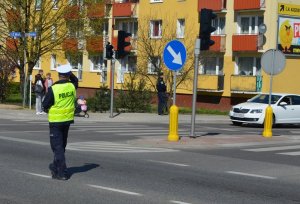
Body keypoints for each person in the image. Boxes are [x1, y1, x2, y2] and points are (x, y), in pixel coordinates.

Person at [42, 64, 78, 180]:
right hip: (67, 121)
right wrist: (70, 73)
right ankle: (55, 167)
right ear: (68, 75)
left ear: (58, 75)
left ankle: (61, 172)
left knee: (57, 147)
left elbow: (45, 105)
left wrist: (47, 109)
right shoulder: (72, 86)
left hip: (56, 122)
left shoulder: (54, 88)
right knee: (61, 146)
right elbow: (75, 80)